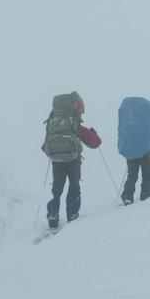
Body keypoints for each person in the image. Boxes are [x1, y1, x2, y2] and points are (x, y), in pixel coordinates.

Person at [42, 91, 102, 228]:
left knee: (56, 189)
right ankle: (72, 214)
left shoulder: (53, 124)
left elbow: (44, 147)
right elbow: (95, 143)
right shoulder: (76, 125)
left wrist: (56, 148)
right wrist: (94, 134)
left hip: (56, 161)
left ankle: (52, 215)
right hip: (73, 160)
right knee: (74, 186)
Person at [117, 97, 150, 205]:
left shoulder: (127, 120)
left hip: (131, 151)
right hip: (146, 151)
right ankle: (145, 195)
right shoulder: (147, 118)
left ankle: (128, 196)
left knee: (132, 174)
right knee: (147, 174)